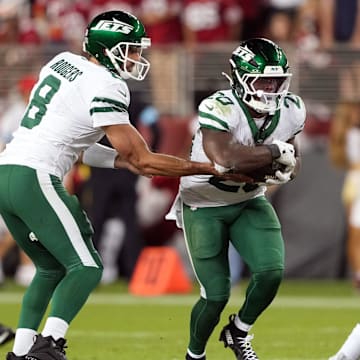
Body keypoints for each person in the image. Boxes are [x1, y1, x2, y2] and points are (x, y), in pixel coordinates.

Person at [0, 10, 224, 360]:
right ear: (108, 50)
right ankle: (48, 346)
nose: (137, 58)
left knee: (50, 268)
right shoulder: (107, 84)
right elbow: (144, 158)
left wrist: (122, 161)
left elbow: (79, 146)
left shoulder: (61, 62)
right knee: (87, 266)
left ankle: (23, 351)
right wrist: (210, 168)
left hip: (8, 171)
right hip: (35, 176)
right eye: (131, 50)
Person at [166, 38, 306, 360]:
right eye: (263, 80)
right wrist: (273, 153)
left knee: (271, 271)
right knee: (215, 296)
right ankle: (195, 355)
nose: (271, 88)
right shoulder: (218, 106)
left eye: (277, 81)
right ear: (241, 79)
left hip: (248, 199)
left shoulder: (292, 110)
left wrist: (288, 168)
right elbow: (226, 158)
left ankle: (239, 330)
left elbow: (293, 157)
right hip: (205, 202)